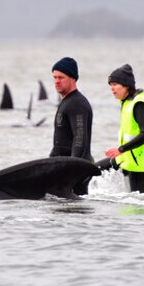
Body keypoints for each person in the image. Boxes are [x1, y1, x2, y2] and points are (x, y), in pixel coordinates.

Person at [98, 64, 144, 193]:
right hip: (125, 158)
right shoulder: (126, 102)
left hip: (140, 164)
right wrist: (121, 152)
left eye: (115, 84)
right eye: (110, 85)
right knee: (92, 170)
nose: (112, 88)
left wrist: (120, 149)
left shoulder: (139, 103)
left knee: (138, 207)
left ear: (126, 85)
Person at [50, 57, 94, 195]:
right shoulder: (67, 101)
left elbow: (80, 138)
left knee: (74, 212)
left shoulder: (77, 104)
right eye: (55, 77)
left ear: (73, 78)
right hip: (66, 167)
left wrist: (72, 169)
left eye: (61, 77)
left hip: (76, 170)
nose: (57, 81)